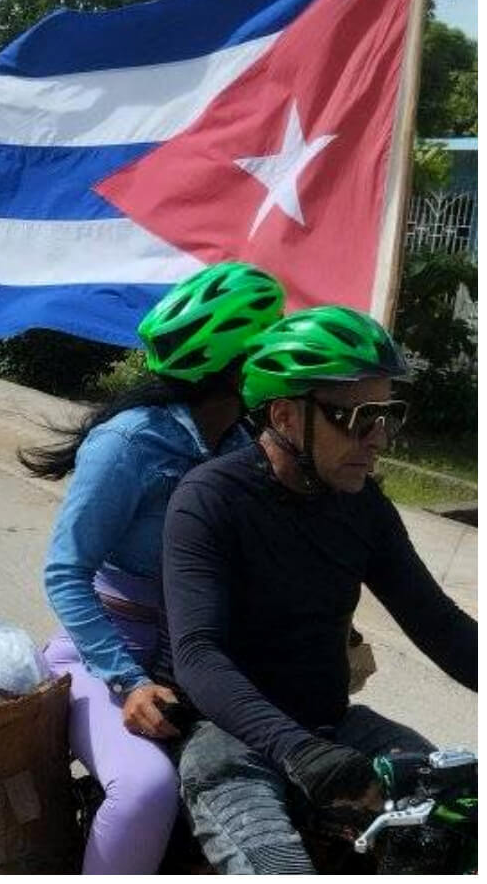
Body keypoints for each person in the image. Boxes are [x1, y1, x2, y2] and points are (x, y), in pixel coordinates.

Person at [163, 305, 478, 875]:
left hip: (337, 728)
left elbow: (441, 626)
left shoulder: (363, 506)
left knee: (467, 825)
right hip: (229, 739)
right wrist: (298, 749)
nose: (378, 439)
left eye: (385, 415)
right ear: (285, 416)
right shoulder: (209, 499)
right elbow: (197, 656)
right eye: (356, 418)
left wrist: (318, 745)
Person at [17, 262, 287, 874]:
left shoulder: (243, 447)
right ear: (238, 365)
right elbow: (65, 572)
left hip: (201, 662)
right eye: (268, 350)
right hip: (101, 662)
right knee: (146, 790)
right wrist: (128, 682)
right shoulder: (131, 442)